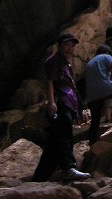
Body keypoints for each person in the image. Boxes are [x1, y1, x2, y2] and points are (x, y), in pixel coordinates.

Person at [32, 32, 90, 181]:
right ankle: (69, 167)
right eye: (66, 45)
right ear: (59, 46)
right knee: (64, 136)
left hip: (68, 103)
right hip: (60, 103)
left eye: (72, 45)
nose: (70, 48)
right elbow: (50, 82)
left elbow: (72, 87)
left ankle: (41, 176)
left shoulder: (67, 63)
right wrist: (51, 102)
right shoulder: (53, 61)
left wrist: (80, 109)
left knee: (55, 141)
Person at [85, 43, 112, 144]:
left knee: (95, 120)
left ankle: (92, 141)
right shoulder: (107, 57)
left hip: (92, 95)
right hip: (106, 89)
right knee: (110, 95)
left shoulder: (90, 62)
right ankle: (108, 118)